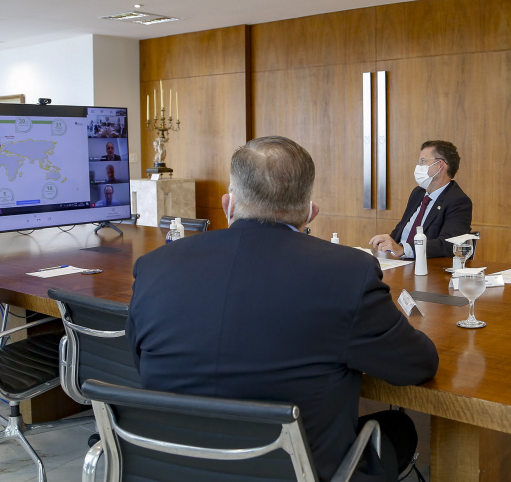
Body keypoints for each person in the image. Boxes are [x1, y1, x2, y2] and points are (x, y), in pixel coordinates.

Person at [127, 136, 439, 482]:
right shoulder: (348, 273)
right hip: (292, 469)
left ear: (228, 204)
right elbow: (416, 365)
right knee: (398, 428)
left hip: (170, 464)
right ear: (310, 212)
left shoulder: (155, 266)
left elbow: (139, 359)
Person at [369, 140, 472, 259]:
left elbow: (448, 244)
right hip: (398, 262)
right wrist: (388, 242)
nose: (418, 167)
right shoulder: (418, 193)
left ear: (440, 166)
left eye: (423, 161)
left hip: (427, 268)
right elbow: (403, 229)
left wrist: (404, 250)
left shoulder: (458, 201)